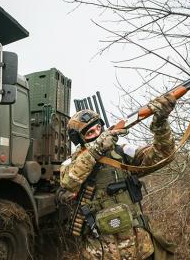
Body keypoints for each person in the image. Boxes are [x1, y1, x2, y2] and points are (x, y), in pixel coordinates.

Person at [60, 94, 176, 260]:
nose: (97, 134)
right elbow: (69, 182)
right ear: (80, 139)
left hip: (140, 248)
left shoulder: (121, 151)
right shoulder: (71, 162)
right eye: (90, 133)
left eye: (98, 128)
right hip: (102, 253)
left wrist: (161, 123)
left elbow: (163, 155)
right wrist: (96, 150)